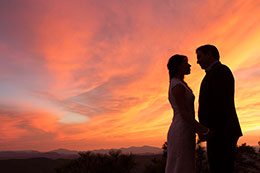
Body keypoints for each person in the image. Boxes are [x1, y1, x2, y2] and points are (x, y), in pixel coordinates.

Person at [196, 44, 243, 173]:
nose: (197, 61)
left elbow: (220, 104)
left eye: (200, 56)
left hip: (222, 132)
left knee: (222, 168)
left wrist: (209, 129)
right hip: (217, 132)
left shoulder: (221, 71)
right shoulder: (213, 73)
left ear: (209, 54)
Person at [165, 54, 208, 173]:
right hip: (181, 129)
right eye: (186, 63)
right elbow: (183, 112)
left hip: (186, 129)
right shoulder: (177, 86)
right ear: (178, 66)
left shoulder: (180, 83)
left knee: (185, 164)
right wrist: (202, 129)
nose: (189, 65)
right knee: (181, 165)